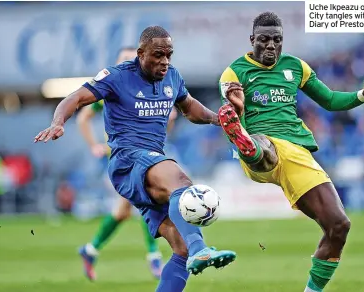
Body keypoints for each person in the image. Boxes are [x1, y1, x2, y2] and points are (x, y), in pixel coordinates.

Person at [34, 26, 236, 292]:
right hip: (127, 161)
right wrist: (58, 122)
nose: (164, 61)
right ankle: (201, 249)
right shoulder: (116, 76)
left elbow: (189, 107)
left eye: (168, 55)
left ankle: (193, 250)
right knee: (180, 181)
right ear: (141, 54)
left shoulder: (172, 77)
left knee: (180, 248)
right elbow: (75, 98)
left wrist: (217, 119)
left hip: (150, 163)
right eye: (158, 55)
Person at [217, 12, 364, 292]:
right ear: (252, 40)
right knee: (264, 146)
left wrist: (363, 94)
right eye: (264, 39)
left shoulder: (296, 67)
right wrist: (240, 115)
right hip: (260, 146)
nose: (270, 45)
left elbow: (330, 100)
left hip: (297, 153)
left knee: (339, 225)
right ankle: (247, 145)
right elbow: (233, 112)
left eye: (277, 40)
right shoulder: (234, 73)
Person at [77, 47, 169, 281]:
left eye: (132, 59)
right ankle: (154, 256)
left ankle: (90, 250)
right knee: (147, 200)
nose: (129, 64)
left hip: (144, 154)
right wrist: (94, 145)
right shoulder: (113, 88)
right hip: (122, 158)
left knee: (122, 211)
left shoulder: (147, 89)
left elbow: (168, 118)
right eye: (124, 60)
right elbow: (83, 117)